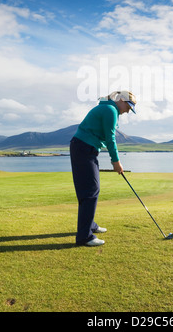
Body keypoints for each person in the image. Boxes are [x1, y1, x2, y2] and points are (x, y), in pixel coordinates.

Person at [70, 90, 137, 247]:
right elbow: (110, 137)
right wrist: (116, 161)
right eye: (127, 106)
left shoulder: (109, 109)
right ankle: (84, 237)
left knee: (89, 189)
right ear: (120, 99)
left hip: (85, 148)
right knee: (90, 190)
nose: (128, 110)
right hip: (84, 148)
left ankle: (90, 225)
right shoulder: (110, 110)